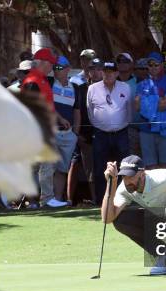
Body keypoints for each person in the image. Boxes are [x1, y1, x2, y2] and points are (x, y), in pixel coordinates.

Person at [101, 155, 166, 276]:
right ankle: (165, 254)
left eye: (131, 176)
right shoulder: (125, 188)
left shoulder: (163, 177)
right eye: (124, 176)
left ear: (142, 173)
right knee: (121, 220)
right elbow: (107, 218)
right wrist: (112, 182)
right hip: (165, 222)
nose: (127, 180)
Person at [22, 48, 68, 208]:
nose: (52, 67)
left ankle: (34, 201)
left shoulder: (41, 79)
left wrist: (59, 118)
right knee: (47, 162)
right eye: (50, 63)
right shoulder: (32, 81)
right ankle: (46, 199)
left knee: (35, 166)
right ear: (41, 62)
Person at [87, 60, 133, 201]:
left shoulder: (125, 87)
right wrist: (100, 124)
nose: (108, 75)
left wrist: (123, 124)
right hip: (101, 134)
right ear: (101, 73)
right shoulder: (93, 88)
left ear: (117, 73)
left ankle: (122, 198)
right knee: (100, 167)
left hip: (121, 133)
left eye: (112, 72)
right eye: (106, 72)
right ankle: (102, 200)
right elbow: (90, 110)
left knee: (124, 167)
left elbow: (129, 110)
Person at [68, 58, 103, 205]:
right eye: (91, 69)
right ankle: (96, 200)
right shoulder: (81, 88)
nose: (95, 72)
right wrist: (78, 135)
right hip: (86, 136)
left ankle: (106, 199)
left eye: (98, 68)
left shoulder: (109, 87)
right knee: (90, 171)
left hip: (106, 134)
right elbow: (77, 112)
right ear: (87, 72)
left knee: (105, 167)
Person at [135, 51, 166, 169]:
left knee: (165, 168)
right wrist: (158, 100)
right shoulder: (141, 84)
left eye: (156, 64)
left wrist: (147, 102)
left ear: (162, 65)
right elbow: (136, 106)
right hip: (146, 130)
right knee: (150, 168)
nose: (153, 67)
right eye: (150, 65)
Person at [52, 55, 78, 203]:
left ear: (68, 69)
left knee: (62, 169)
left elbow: (77, 111)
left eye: (60, 68)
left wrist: (76, 133)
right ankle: (47, 200)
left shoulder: (74, 87)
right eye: (55, 68)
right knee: (49, 169)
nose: (56, 70)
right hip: (51, 132)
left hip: (67, 134)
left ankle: (57, 199)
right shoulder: (49, 83)